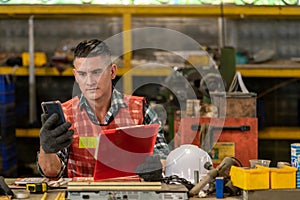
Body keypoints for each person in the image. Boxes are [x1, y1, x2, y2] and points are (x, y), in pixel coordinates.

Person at [37, 39, 170, 179]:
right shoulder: (65, 114)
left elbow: (162, 155)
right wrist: (46, 149)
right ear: (75, 76)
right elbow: (52, 172)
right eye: (82, 74)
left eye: (96, 72)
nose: (89, 81)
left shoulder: (141, 110)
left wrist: (157, 167)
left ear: (112, 72)